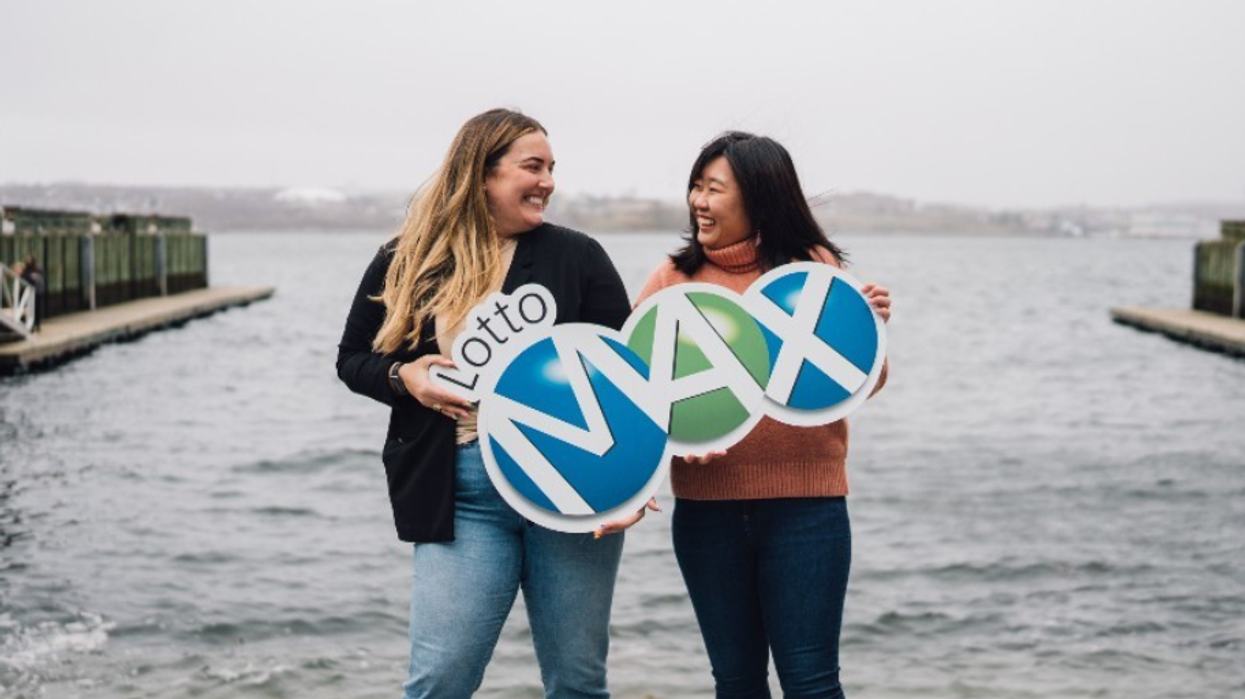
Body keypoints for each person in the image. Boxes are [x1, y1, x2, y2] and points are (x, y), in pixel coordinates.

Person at [336, 108, 639, 699]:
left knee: (578, 682)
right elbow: (352, 359)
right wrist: (406, 378)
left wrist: (628, 487)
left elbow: (627, 384)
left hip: (570, 485)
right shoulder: (408, 259)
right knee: (439, 681)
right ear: (481, 175)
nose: (548, 181)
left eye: (552, 168)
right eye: (533, 166)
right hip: (463, 491)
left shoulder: (579, 257)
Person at [632, 132, 891, 699]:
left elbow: (865, 383)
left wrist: (864, 331)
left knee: (812, 683)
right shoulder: (672, 281)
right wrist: (673, 443)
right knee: (737, 683)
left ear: (758, 197)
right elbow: (635, 397)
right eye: (695, 186)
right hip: (706, 514)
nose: (698, 200)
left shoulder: (812, 271)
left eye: (714, 188)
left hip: (808, 510)